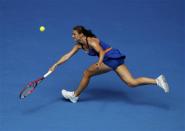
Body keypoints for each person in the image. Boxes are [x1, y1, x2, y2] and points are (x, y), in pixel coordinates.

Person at [49, 25, 169, 103]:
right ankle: (157, 81)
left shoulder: (91, 41)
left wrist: (100, 62)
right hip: (115, 57)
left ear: (81, 34)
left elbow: (100, 51)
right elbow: (67, 55)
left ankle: (75, 95)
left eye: (74, 34)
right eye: (72, 34)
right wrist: (56, 64)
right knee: (131, 82)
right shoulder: (79, 45)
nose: (72, 36)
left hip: (110, 58)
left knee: (87, 73)